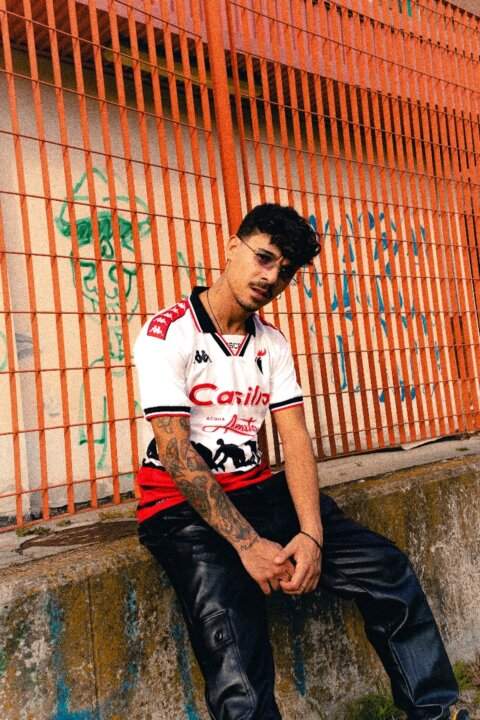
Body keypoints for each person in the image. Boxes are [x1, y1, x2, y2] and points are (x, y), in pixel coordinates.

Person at [134, 204, 466, 720]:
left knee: (387, 569)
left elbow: (295, 438)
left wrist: (311, 534)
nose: (271, 277)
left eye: (285, 271)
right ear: (232, 248)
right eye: (264, 258)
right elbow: (176, 452)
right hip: (180, 510)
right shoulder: (167, 333)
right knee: (235, 655)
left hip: (257, 492)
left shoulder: (271, 342)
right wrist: (248, 546)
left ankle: (435, 710)